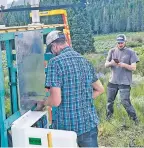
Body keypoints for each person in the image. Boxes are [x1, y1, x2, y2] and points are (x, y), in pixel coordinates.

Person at [36, 30, 104, 147]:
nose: (53, 53)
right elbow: (100, 89)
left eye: (51, 50)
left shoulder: (55, 63)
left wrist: (43, 102)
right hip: (89, 124)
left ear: (55, 46)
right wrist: (81, 98)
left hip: (67, 127)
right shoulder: (85, 61)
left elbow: (56, 101)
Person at [105, 34, 139, 124]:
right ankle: (109, 119)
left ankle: (135, 120)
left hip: (125, 82)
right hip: (112, 81)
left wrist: (123, 65)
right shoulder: (111, 51)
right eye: (119, 42)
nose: (120, 44)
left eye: (122, 42)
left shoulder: (131, 52)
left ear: (125, 42)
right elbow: (106, 64)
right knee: (109, 102)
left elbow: (134, 67)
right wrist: (111, 63)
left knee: (125, 102)